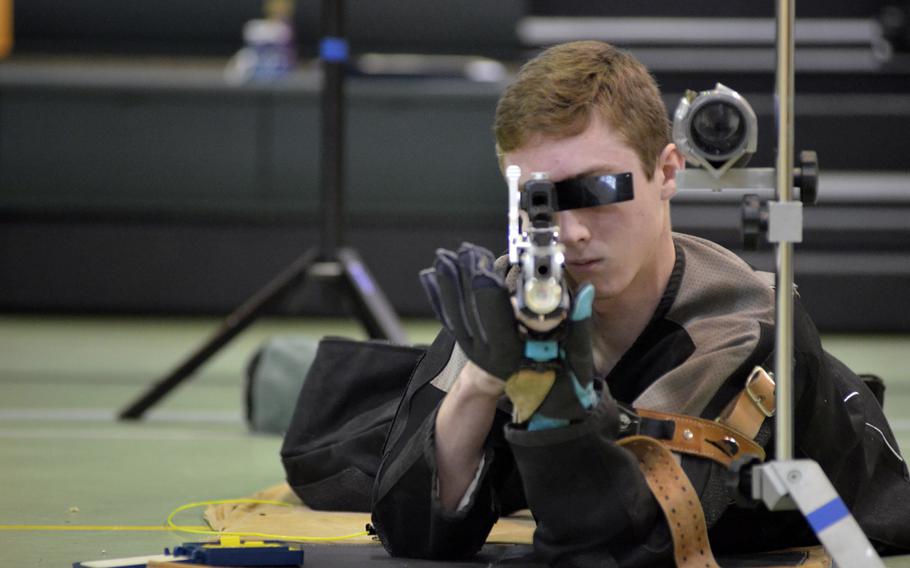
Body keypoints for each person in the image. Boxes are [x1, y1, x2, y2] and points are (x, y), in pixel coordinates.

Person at [369, 40, 910, 567]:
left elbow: (634, 542)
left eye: (598, 190)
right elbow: (408, 529)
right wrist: (481, 383)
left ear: (667, 172)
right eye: (539, 201)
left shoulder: (740, 320)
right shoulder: (514, 292)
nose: (569, 231)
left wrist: (554, 394)